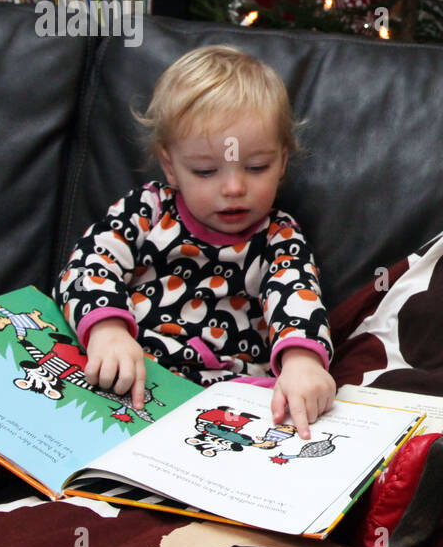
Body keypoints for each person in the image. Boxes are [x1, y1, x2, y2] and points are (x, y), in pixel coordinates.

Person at [55, 44, 335, 439]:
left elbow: (297, 296)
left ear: (283, 161)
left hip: (227, 398)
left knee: (299, 426)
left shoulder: (279, 235)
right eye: (206, 171)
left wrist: (302, 361)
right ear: (170, 165)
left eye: (257, 167)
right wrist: (108, 332)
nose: (234, 188)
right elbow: (87, 267)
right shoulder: (147, 210)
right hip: (132, 375)